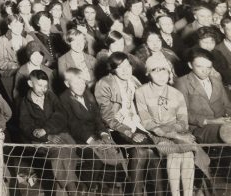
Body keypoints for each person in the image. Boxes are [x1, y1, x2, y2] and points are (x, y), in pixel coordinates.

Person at [135, 54, 204, 196]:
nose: (161, 75)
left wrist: (178, 133)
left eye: (164, 71)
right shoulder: (141, 92)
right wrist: (173, 134)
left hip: (177, 132)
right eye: (155, 71)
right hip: (156, 135)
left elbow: (183, 121)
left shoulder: (176, 94)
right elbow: (147, 123)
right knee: (174, 153)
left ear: (169, 72)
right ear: (148, 73)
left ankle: (188, 194)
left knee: (188, 155)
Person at [95, 52, 161, 195]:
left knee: (153, 154)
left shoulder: (134, 80)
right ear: (113, 69)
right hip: (116, 128)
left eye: (127, 65)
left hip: (137, 123)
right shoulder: (104, 84)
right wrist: (129, 132)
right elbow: (107, 118)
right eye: (120, 67)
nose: (125, 70)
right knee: (140, 151)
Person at [17, 69, 79, 194]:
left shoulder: (51, 96)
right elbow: (26, 127)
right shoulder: (24, 103)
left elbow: (61, 116)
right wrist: (46, 137)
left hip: (58, 133)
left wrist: (47, 129)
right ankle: (72, 190)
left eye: (46, 86)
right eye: (39, 85)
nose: (43, 89)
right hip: (39, 141)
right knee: (60, 153)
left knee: (68, 149)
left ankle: (60, 188)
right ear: (30, 83)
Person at [174, 48, 231, 144]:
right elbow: (182, 113)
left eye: (209, 67)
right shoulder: (182, 83)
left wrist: (227, 118)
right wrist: (211, 121)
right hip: (200, 128)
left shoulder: (216, 81)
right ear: (190, 65)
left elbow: (227, 106)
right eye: (200, 66)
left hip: (223, 123)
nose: (205, 71)